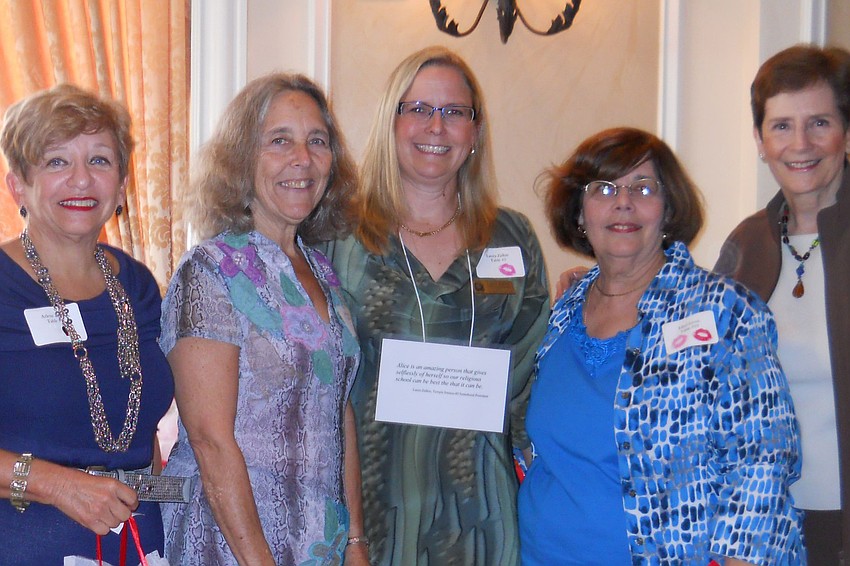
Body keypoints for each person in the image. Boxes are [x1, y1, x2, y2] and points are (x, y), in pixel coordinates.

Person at [519, 127, 804, 564]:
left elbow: (762, 464)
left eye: (644, 188)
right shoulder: (560, 313)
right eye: (604, 188)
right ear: (578, 213)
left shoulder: (724, 312)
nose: (623, 202)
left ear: (668, 210)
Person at [322, 46, 549, 565]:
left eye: (454, 112)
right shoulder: (337, 236)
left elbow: (531, 376)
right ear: (391, 120)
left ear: (476, 131)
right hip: (366, 515)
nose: (436, 127)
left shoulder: (511, 237)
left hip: (482, 512)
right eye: (419, 109)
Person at [159, 73, 369, 565]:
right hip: (229, 546)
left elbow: (338, 413)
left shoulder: (323, 273)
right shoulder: (209, 271)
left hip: (320, 545)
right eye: (279, 140)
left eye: (317, 141)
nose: (303, 158)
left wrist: (356, 543)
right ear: (242, 158)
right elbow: (211, 442)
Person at [0, 84, 175, 563]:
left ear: (121, 185)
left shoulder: (138, 285)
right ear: (18, 186)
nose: (81, 180)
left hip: (139, 543)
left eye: (99, 160)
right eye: (56, 161)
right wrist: (57, 485)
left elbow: (140, 429)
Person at [715, 44, 850, 564]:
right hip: (764, 528)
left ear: (845, 131)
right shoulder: (746, 244)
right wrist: (599, 285)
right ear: (759, 140)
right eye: (781, 126)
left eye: (819, 123)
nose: (800, 144)